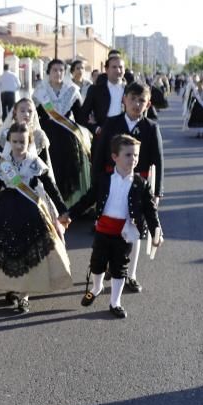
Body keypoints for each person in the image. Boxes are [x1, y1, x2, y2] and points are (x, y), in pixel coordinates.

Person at [0, 122, 71, 314]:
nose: (19, 145)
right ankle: (12, 287)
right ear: (9, 141)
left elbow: (50, 187)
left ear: (29, 141)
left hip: (31, 212)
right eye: (15, 141)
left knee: (30, 252)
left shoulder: (35, 162)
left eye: (22, 141)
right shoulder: (2, 164)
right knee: (8, 251)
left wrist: (62, 209)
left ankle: (24, 296)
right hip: (5, 211)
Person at [60, 135, 163, 319]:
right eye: (128, 155)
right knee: (97, 264)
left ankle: (115, 302)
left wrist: (157, 232)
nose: (133, 159)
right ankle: (96, 287)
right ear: (115, 156)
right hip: (103, 229)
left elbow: (150, 211)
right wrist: (70, 214)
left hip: (124, 233)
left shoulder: (141, 184)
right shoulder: (104, 179)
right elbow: (88, 200)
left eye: (136, 155)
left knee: (119, 267)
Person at [89, 83, 164, 294]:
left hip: (137, 187)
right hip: (112, 184)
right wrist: (97, 182)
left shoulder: (151, 127)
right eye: (132, 99)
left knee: (135, 228)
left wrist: (157, 192)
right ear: (124, 99)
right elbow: (99, 154)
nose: (136, 104)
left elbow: (158, 161)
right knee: (108, 228)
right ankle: (107, 268)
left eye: (141, 101)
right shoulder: (111, 123)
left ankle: (130, 274)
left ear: (147, 104)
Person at [33, 58, 91, 205]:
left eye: (61, 70)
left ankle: (68, 205)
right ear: (48, 72)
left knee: (68, 172)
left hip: (68, 138)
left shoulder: (72, 91)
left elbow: (80, 118)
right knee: (49, 170)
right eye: (54, 70)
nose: (58, 73)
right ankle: (49, 203)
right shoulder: (40, 93)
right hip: (47, 138)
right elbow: (35, 117)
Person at [78, 50, 128, 134]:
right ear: (106, 69)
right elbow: (82, 116)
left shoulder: (130, 90)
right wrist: (95, 128)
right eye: (114, 67)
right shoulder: (95, 90)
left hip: (124, 138)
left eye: (120, 67)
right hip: (102, 136)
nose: (118, 71)